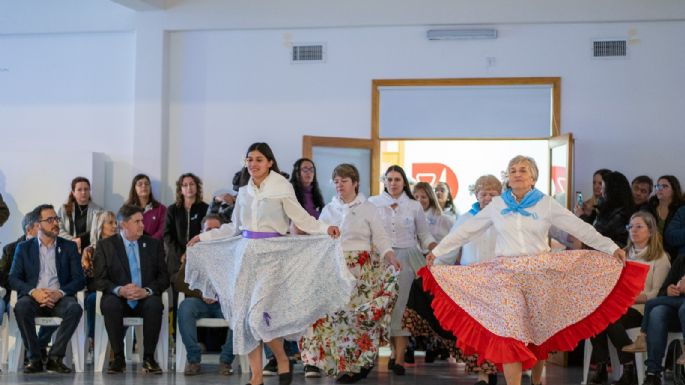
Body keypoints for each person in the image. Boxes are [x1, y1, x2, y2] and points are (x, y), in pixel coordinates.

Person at [424, 155, 646, 385]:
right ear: (508, 178)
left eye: (523, 170)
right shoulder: (498, 205)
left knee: (537, 333)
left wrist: (609, 248)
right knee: (510, 331)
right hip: (506, 275)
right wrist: (439, 251)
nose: (517, 173)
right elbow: (467, 230)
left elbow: (578, 227)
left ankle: (537, 381)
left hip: (540, 272)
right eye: (513, 170)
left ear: (533, 178)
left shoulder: (545, 203)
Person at [185, 142, 355, 385]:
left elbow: (301, 218)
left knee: (258, 318)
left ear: (270, 162)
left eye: (258, 160)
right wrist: (203, 237)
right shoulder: (244, 192)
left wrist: (325, 228)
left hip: (272, 256)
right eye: (250, 159)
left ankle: (281, 357)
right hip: (245, 256)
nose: (253, 164)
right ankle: (256, 377)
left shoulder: (281, 187)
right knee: (245, 320)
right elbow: (233, 228)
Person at [300, 163, 401, 383]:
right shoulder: (329, 209)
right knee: (335, 316)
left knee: (358, 317)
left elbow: (381, 237)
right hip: (336, 268)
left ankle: (361, 364)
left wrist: (390, 255)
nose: (339, 185)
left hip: (361, 271)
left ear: (355, 183)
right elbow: (320, 238)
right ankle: (339, 364)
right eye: (336, 181)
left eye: (344, 181)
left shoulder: (368, 208)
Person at [403, 175, 502, 385]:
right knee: (477, 331)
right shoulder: (466, 218)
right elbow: (451, 247)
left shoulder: (507, 218)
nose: (487, 198)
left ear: (500, 196)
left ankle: (492, 371)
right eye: (483, 194)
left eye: (492, 194)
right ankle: (484, 374)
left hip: (499, 281)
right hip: (469, 281)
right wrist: (435, 271)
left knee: (494, 330)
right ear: (476, 195)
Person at [369, 165, 436, 375]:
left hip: (408, 258)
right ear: (384, 181)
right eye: (389, 179)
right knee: (383, 307)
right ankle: (388, 352)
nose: (393, 183)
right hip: (380, 259)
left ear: (404, 182)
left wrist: (437, 248)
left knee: (402, 307)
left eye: (397, 179)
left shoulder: (414, 206)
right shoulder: (373, 203)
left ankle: (399, 358)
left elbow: (424, 235)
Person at [587, 211, 670, 385]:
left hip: (640, 308)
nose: (634, 230)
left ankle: (629, 366)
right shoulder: (622, 254)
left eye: (639, 227)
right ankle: (602, 365)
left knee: (611, 319)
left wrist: (630, 299)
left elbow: (656, 293)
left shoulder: (660, 258)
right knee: (594, 315)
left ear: (651, 231)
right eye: (630, 226)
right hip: (617, 304)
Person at [263, 157, 326, 376]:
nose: (308, 173)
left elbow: (317, 223)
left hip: (311, 255)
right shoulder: (288, 192)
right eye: (304, 169)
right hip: (289, 253)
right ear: (296, 172)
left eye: (311, 169)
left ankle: (311, 360)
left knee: (309, 308)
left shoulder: (318, 197)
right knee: (279, 307)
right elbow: (292, 223)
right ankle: (278, 357)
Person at [9, 204, 85, 373]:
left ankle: (55, 358)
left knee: (75, 309)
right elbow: (13, 278)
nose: (55, 223)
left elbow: (79, 280)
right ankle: (34, 358)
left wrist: (60, 293)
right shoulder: (23, 248)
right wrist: (34, 292)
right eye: (49, 220)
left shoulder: (69, 247)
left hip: (59, 297)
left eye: (56, 219)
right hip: (33, 297)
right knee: (21, 307)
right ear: (38, 225)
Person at [93, 204, 169, 374]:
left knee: (155, 304)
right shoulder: (106, 246)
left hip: (144, 297)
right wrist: (119, 290)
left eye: (142, 221)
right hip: (118, 297)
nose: (143, 225)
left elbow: (164, 278)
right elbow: (99, 279)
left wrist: (146, 291)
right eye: (138, 221)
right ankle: (118, 358)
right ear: (124, 224)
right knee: (110, 304)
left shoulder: (153, 244)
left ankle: (148, 358)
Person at [176, 214, 235, 376]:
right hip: (200, 301)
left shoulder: (232, 251)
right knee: (185, 307)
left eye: (217, 230)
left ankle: (226, 360)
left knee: (240, 311)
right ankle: (193, 359)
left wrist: (220, 294)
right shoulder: (195, 250)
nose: (212, 233)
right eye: (209, 229)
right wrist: (202, 293)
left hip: (225, 302)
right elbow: (180, 283)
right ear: (202, 231)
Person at [80, 211, 118, 358]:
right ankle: (94, 339)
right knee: (92, 299)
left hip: (116, 290)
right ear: (100, 227)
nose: (115, 226)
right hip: (96, 290)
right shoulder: (89, 251)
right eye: (110, 223)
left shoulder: (122, 248)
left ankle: (115, 342)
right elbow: (90, 278)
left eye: (115, 222)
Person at [164, 172, 208, 285]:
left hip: (198, 258)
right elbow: (167, 235)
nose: (189, 187)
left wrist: (191, 254)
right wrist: (181, 254)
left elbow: (206, 235)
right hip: (176, 259)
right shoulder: (172, 210)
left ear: (197, 187)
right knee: (175, 294)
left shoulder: (205, 209)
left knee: (193, 293)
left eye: (192, 184)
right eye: (185, 185)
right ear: (180, 189)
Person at [591, 171, 636, 249]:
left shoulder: (619, 214)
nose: (601, 192)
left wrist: (582, 216)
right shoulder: (623, 208)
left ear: (611, 191)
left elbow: (595, 234)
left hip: (612, 254)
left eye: (603, 188)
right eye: (594, 183)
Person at [57, 177, 103, 252]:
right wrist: (73, 240)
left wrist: (81, 240)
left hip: (90, 251)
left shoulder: (99, 211)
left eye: (86, 189)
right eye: (79, 190)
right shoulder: (63, 209)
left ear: (89, 191)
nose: (83, 192)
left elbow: (99, 231)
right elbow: (58, 229)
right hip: (68, 249)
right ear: (73, 192)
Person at [644, 175, 684, 259]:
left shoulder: (680, 209)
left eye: (665, 186)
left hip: (672, 254)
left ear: (674, 190)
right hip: (648, 250)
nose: (660, 188)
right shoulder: (648, 208)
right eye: (658, 186)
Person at [125, 174, 167, 240]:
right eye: (140, 184)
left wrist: (149, 243)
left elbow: (162, 230)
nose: (144, 186)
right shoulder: (127, 209)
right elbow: (123, 229)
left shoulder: (161, 209)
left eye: (146, 184)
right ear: (134, 188)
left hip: (154, 247)